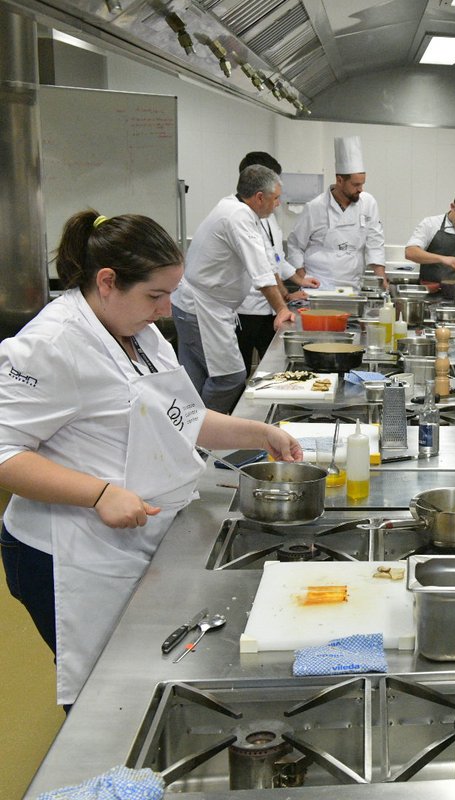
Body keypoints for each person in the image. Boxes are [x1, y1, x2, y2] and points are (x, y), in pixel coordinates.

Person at [0, 210, 302, 707]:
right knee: (102, 694)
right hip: (64, 551)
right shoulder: (51, 344)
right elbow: (6, 453)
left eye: (171, 294)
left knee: (133, 672)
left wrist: (259, 431)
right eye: (155, 295)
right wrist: (99, 493)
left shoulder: (138, 331)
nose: (165, 311)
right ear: (107, 282)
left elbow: (181, 416)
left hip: (130, 533)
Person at [172, 165, 294, 414]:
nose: (278, 204)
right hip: (202, 309)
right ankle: (204, 429)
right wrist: (281, 309)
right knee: (230, 378)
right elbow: (261, 272)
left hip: (194, 305)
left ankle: (189, 429)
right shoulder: (238, 216)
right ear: (259, 197)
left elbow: (267, 262)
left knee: (194, 381)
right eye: (275, 198)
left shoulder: (234, 208)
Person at [233, 151, 319, 372]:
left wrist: (298, 281)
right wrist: (284, 300)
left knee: (272, 363)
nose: (278, 200)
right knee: (241, 369)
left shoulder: (266, 215)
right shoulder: (240, 217)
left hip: (266, 305)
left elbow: (275, 258)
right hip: (246, 307)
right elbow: (263, 268)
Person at [286, 136, 387, 290]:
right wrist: (303, 278)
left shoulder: (368, 203)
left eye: (362, 184)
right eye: (355, 184)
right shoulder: (315, 207)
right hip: (318, 286)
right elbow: (295, 245)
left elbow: (375, 243)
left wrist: (382, 280)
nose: (360, 189)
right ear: (339, 180)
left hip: (353, 286)